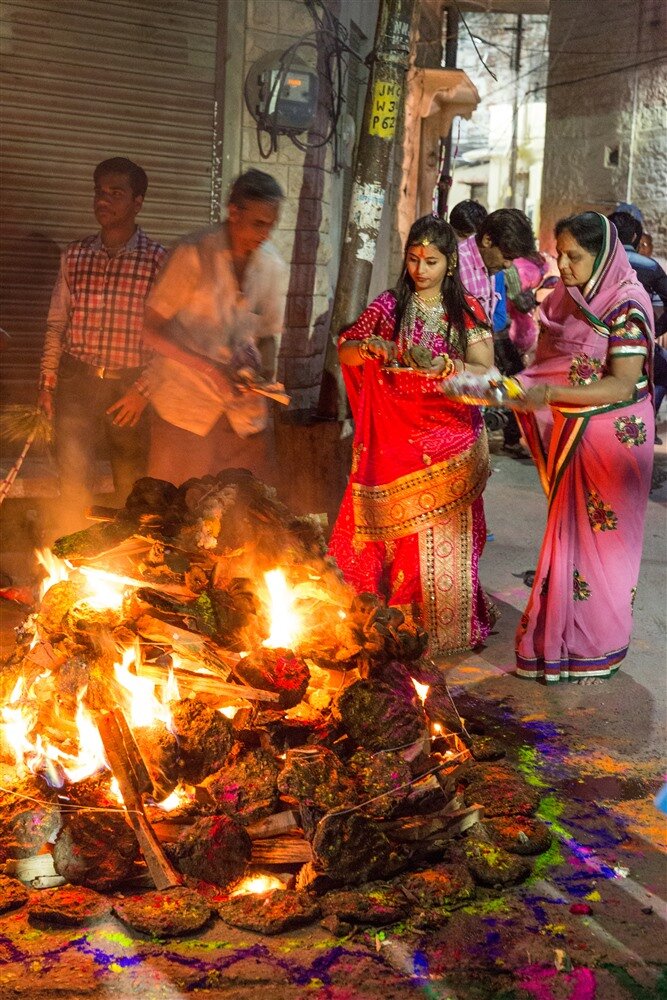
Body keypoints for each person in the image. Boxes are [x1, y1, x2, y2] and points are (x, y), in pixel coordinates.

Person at [328, 215, 496, 656]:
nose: (420, 269)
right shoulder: (390, 305)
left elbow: (485, 370)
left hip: (450, 436)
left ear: (451, 264)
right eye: (414, 258)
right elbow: (345, 345)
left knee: (441, 535)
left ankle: (440, 623)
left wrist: (450, 367)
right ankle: (386, 619)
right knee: (395, 540)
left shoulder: (467, 311)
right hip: (396, 436)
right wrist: (367, 348)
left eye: (432, 261)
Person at [514, 212, 655, 685]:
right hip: (579, 432)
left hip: (614, 443)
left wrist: (550, 395)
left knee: (605, 550)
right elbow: (558, 360)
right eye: (561, 256)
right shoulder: (573, 299)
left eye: (575, 256)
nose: (566, 267)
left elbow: (619, 384)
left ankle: (597, 643)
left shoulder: (627, 306)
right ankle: (562, 643)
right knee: (570, 538)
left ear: (603, 256)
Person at [38, 157, 166, 533]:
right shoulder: (75, 254)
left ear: (138, 201)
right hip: (76, 383)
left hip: (128, 389)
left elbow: (169, 339)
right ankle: (70, 550)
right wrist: (47, 382)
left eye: (116, 193)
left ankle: (127, 562)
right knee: (73, 476)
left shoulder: (158, 260)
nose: (103, 201)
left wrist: (143, 392)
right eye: (99, 192)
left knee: (131, 484)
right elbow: (56, 323)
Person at [142, 169, 287, 487]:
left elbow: (266, 337)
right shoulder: (193, 252)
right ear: (234, 212)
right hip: (184, 410)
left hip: (242, 418)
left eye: (271, 226)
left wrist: (263, 378)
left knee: (246, 511)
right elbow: (150, 330)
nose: (265, 235)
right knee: (174, 512)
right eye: (258, 224)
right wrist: (211, 370)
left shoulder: (272, 265)